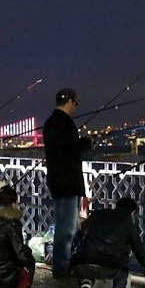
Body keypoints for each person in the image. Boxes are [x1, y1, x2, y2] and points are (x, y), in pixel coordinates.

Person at [70, 197, 145, 288]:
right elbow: (140, 251)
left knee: (86, 267)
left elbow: (78, 236)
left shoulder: (96, 214)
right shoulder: (127, 221)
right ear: (132, 212)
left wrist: (74, 258)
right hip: (109, 267)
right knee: (122, 268)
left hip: (83, 263)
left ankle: (86, 283)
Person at [42, 88, 93, 278]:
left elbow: (62, 149)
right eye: (75, 104)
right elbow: (72, 149)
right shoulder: (66, 123)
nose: (75, 108)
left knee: (66, 225)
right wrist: (87, 142)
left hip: (57, 180)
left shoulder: (50, 123)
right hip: (67, 181)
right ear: (70, 102)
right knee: (67, 228)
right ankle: (61, 266)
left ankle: (62, 262)